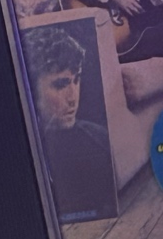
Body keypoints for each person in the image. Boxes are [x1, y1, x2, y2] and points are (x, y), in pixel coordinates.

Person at [23, 25, 117, 221]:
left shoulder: (100, 139)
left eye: (76, 80)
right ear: (31, 87)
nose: (73, 97)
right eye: (61, 85)